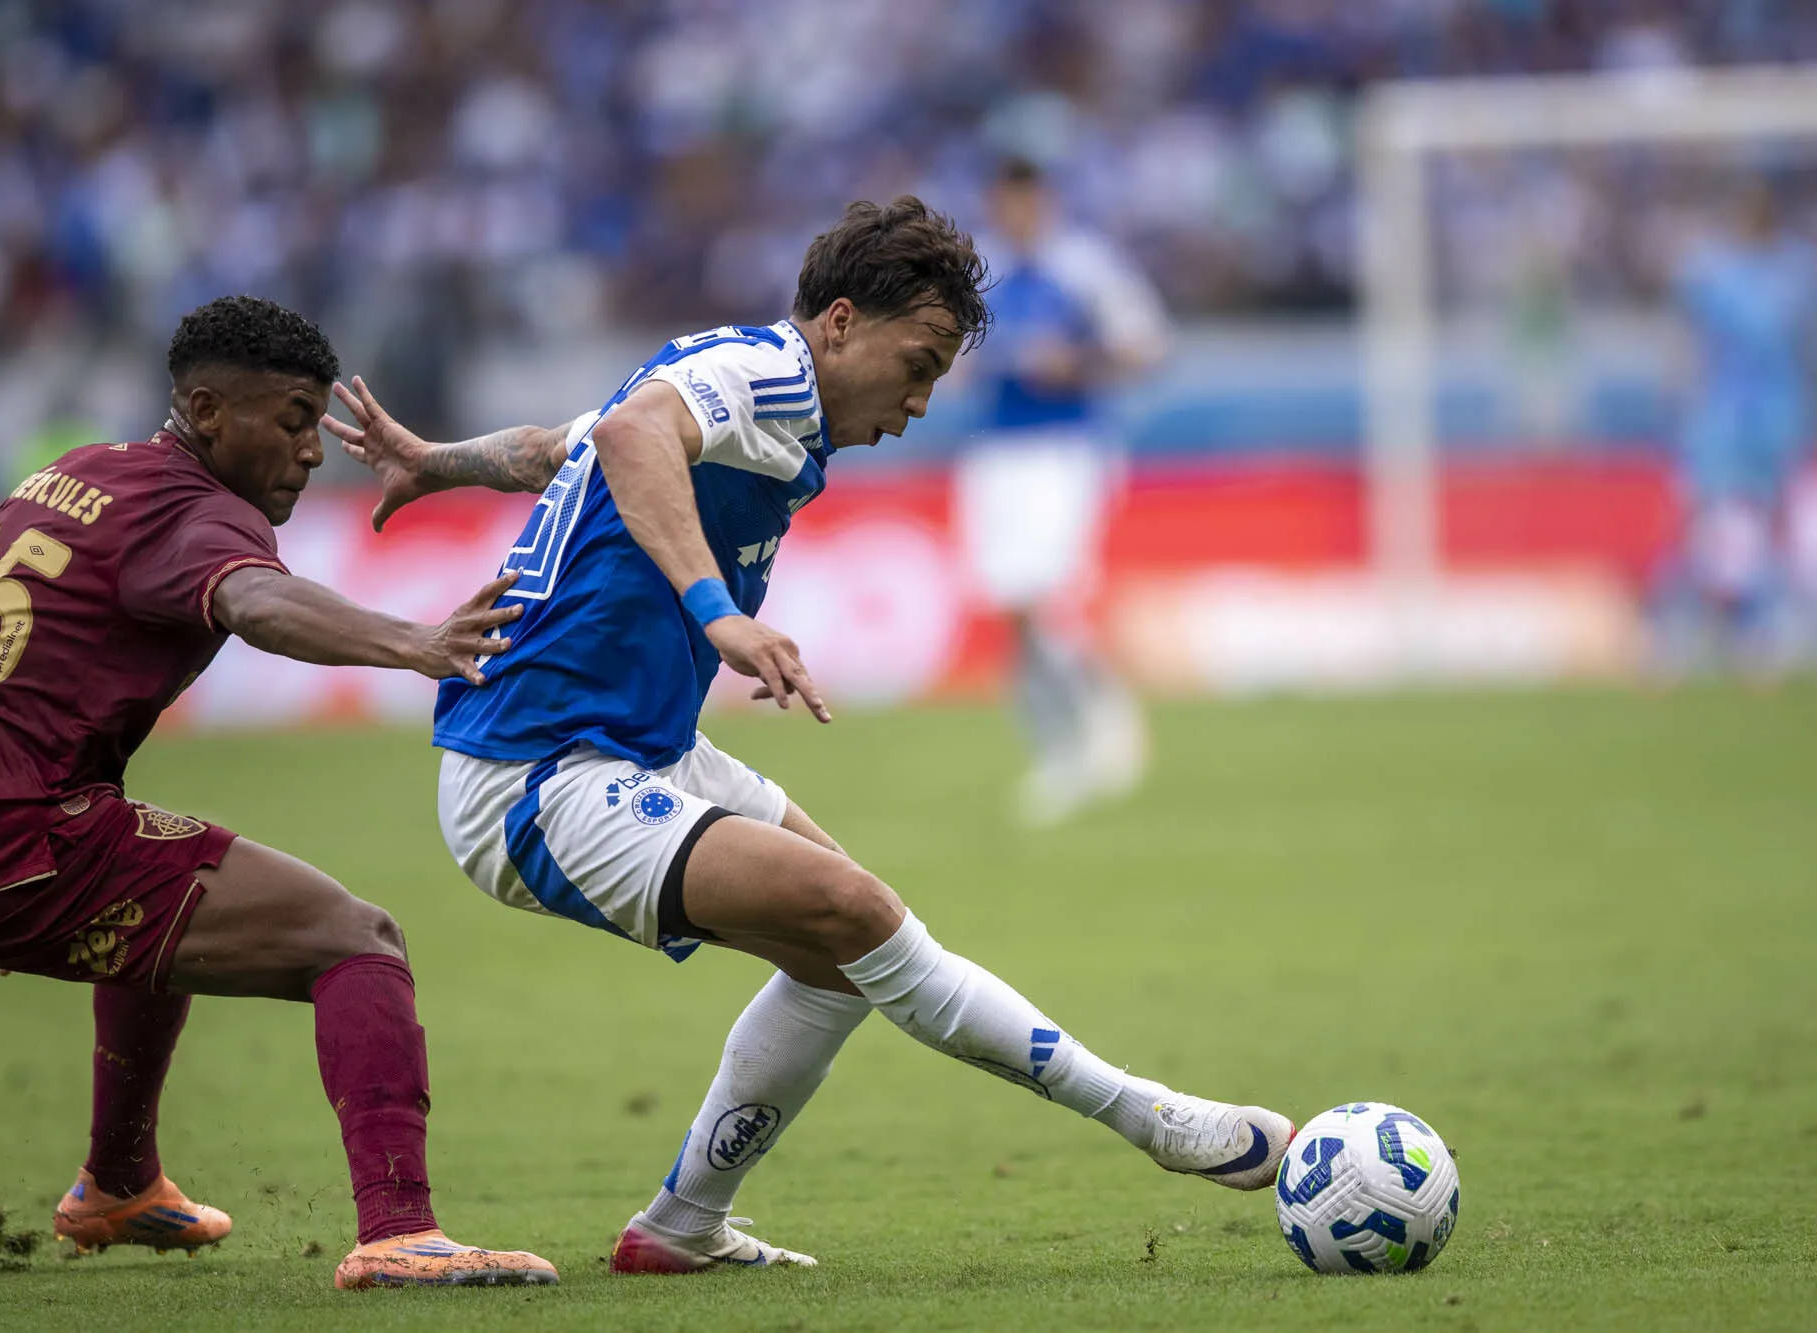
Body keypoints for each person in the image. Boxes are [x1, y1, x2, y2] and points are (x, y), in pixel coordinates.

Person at [327, 198, 1293, 1275]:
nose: (921, 401)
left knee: (841, 954)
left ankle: (681, 1226)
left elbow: (565, 445)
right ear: (837, 323)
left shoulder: (740, 386)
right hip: (536, 768)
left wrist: (436, 462)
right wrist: (716, 612)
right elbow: (631, 434)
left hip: (628, 745)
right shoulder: (766, 374)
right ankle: (1151, 1118)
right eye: (915, 362)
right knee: (856, 911)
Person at [0, 296, 564, 1291]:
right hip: (11, 837)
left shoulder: (78, 473)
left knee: (175, 875)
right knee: (357, 938)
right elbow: (254, 600)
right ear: (203, 409)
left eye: (315, 424)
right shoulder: (198, 511)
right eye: (288, 421)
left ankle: (117, 1184)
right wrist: (413, 642)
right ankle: (400, 1232)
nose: (311, 451)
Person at [955, 158, 1171, 826]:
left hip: (1066, 447)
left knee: (1042, 591)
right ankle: (1060, 741)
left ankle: (1101, 728)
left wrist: (1076, 364)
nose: (1013, 212)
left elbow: (1147, 348)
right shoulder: (979, 273)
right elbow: (951, 357)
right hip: (996, 451)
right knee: (1009, 601)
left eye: (1023, 199)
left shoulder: (1084, 267)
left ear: (1043, 201)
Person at [1661, 183, 1817, 678]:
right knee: (1718, 523)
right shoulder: (1724, 275)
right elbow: (1689, 345)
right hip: (1735, 415)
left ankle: (1752, 630)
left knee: (1762, 525)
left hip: (1761, 414)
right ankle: (1692, 630)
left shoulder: (1789, 272)